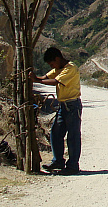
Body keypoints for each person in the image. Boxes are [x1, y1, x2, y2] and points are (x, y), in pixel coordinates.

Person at [29, 47, 82, 175]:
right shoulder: (58, 69)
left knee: (73, 136)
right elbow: (45, 76)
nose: (51, 66)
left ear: (57, 59)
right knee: (56, 132)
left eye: (52, 63)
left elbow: (55, 81)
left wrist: (36, 80)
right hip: (63, 105)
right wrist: (35, 77)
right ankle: (58, 160)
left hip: (72, 106)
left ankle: (73, 165)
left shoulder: (70, 68)